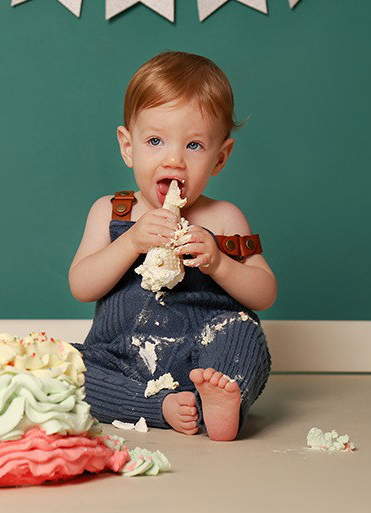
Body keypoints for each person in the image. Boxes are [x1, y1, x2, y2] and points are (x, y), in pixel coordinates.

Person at [69, 51, 277, 441]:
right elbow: (82, 285)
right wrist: (130, 242)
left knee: (243, 334)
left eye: (195, 145)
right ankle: (156, 405)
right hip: (122, 356)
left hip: (204, 355)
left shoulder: (224, 218)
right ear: (127, 146)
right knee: (65, 369)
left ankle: (218, 402)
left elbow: (265, 292)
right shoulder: (113, 211)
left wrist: (220, 263)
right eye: (154, 141)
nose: (174, 159)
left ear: (221, 157)